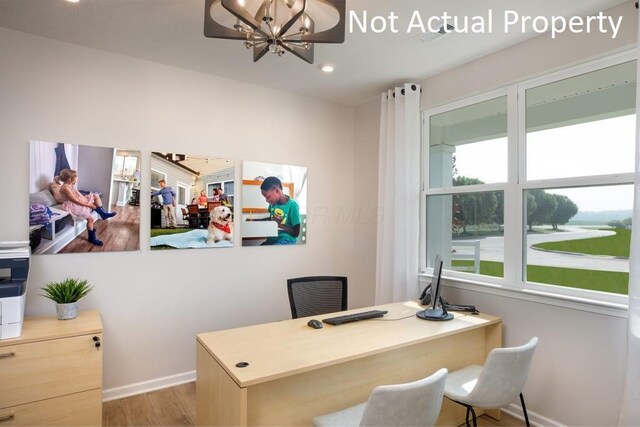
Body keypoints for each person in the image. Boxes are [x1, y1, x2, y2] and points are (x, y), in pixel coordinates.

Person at [58, 168, 116, 246]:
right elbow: (75, 201)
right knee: (90, 219)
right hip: (72, 205)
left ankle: (103, 214)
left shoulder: (71, 185)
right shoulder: (65, 188)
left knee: (95, 195)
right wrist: (89, 205)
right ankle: (92, 238)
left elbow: (79, 195)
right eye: (76, 177)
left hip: (77, 201)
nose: (77, 178)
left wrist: (86, 200)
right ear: (69, 179)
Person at [250, 176, 300, 245]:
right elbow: (271, 219)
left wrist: (279, 225)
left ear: (277, 191)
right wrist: (253, 221)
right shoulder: (273, 204)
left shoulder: (292, 205)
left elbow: (296, 233)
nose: (266, 200)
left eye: (268, 197)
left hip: (287, 240)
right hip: (272, 239)